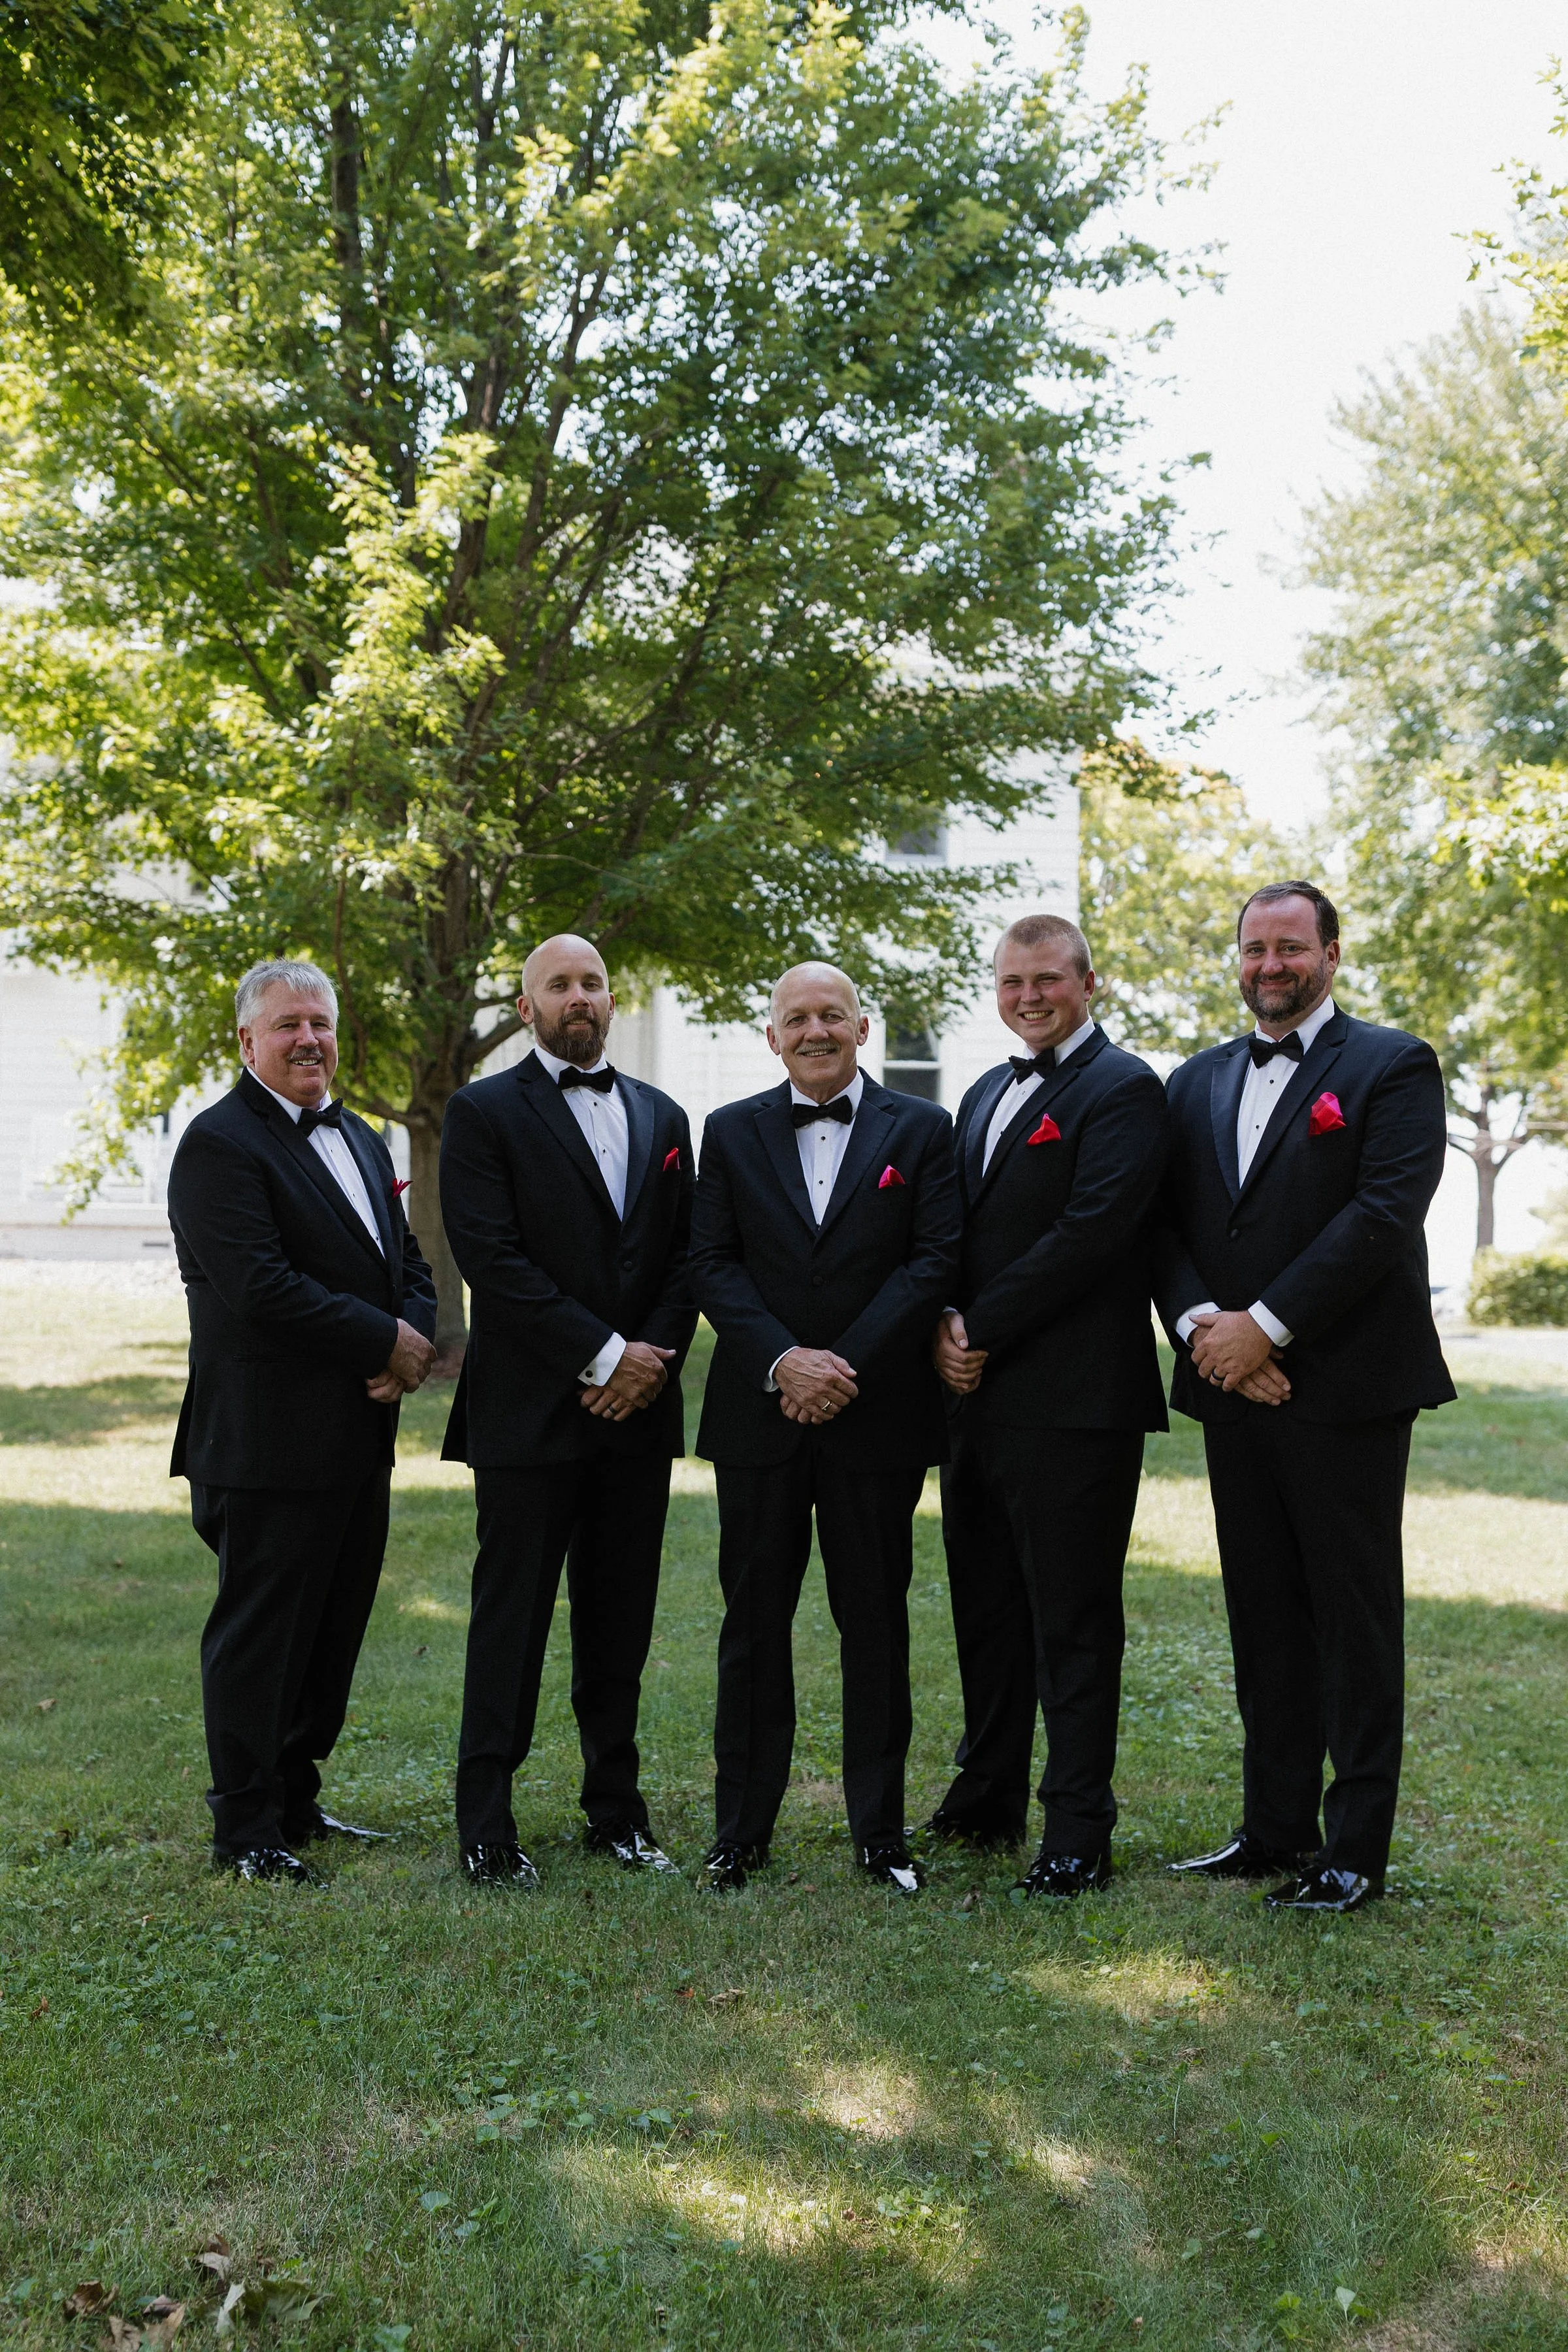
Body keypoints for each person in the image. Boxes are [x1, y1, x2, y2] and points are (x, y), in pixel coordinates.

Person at [1156, 882, 1454, 1914]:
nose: (1270, 967)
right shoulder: (1192, 1083)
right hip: (1231, 1388)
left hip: (1348, 1390)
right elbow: (1164, 1229)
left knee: (1352, 1619)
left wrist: (1266, 1328)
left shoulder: (1392, 1065)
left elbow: (1383, 1212)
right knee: (1264, 1614)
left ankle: (1352, 1852)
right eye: (1254, 949)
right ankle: (1273, 1828)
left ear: (1332, 952)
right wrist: (1207, 1331)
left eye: (1290, 948)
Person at [689, 962, 961, 1895]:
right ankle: (740, 1831)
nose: (815, 1030)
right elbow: (712, 1263)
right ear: (771, 1035)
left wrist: (842, 1363)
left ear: (863, 1026)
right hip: (758, 1414)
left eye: (832, 1015)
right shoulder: (727, 1133)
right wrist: (782, 1362)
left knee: (875, 1623)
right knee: (753, 1625)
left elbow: (933, 1260)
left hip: (875, 1413)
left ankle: (880, 1835)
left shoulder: (923, 1132)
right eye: (796, 1018)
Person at [168, 959, 438, 1882]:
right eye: (288, 1025)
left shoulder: (361, 1136)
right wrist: (384, 1344)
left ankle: (294, 1797)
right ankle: (244, 1829)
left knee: (332, 1630)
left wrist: (415, 1335)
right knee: (261, 1639)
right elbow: (259, 1289)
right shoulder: (218, 1145)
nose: (309, 1040)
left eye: (320, 1022)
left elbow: (408, 1261)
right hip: (264, 1440)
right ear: (247, 1040)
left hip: (358, 1440)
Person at [438, 934, 697, 1887]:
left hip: (639, 1412)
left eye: (592, 981)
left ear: (611, 996)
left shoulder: (664, 1114)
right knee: (510, 1618)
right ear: (525, 1005)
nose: (578, 997)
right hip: (530, 1411)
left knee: (620, 1619)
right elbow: (492, 1260)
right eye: (559, 985)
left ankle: (616, 1813)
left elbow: (685, 1258)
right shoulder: (481, 1113)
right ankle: (486, 1823)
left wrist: (649, 1363)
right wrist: (602, 1354)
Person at [929, 913, 1169, 1899]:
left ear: (1088, 982)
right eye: (1012, 982)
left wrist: (975, 1328)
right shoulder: (985, 1089)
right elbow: (949, 1224)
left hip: (1076, 1404)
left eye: (1047, 980)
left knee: (1070, 1618)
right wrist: (942, 1318)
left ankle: (1078, 1828)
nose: (1029, 997)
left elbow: (1092, 1233)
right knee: (984, 1606)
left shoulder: (1124, 1089)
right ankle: (985, 1793)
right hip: (974, 1404)